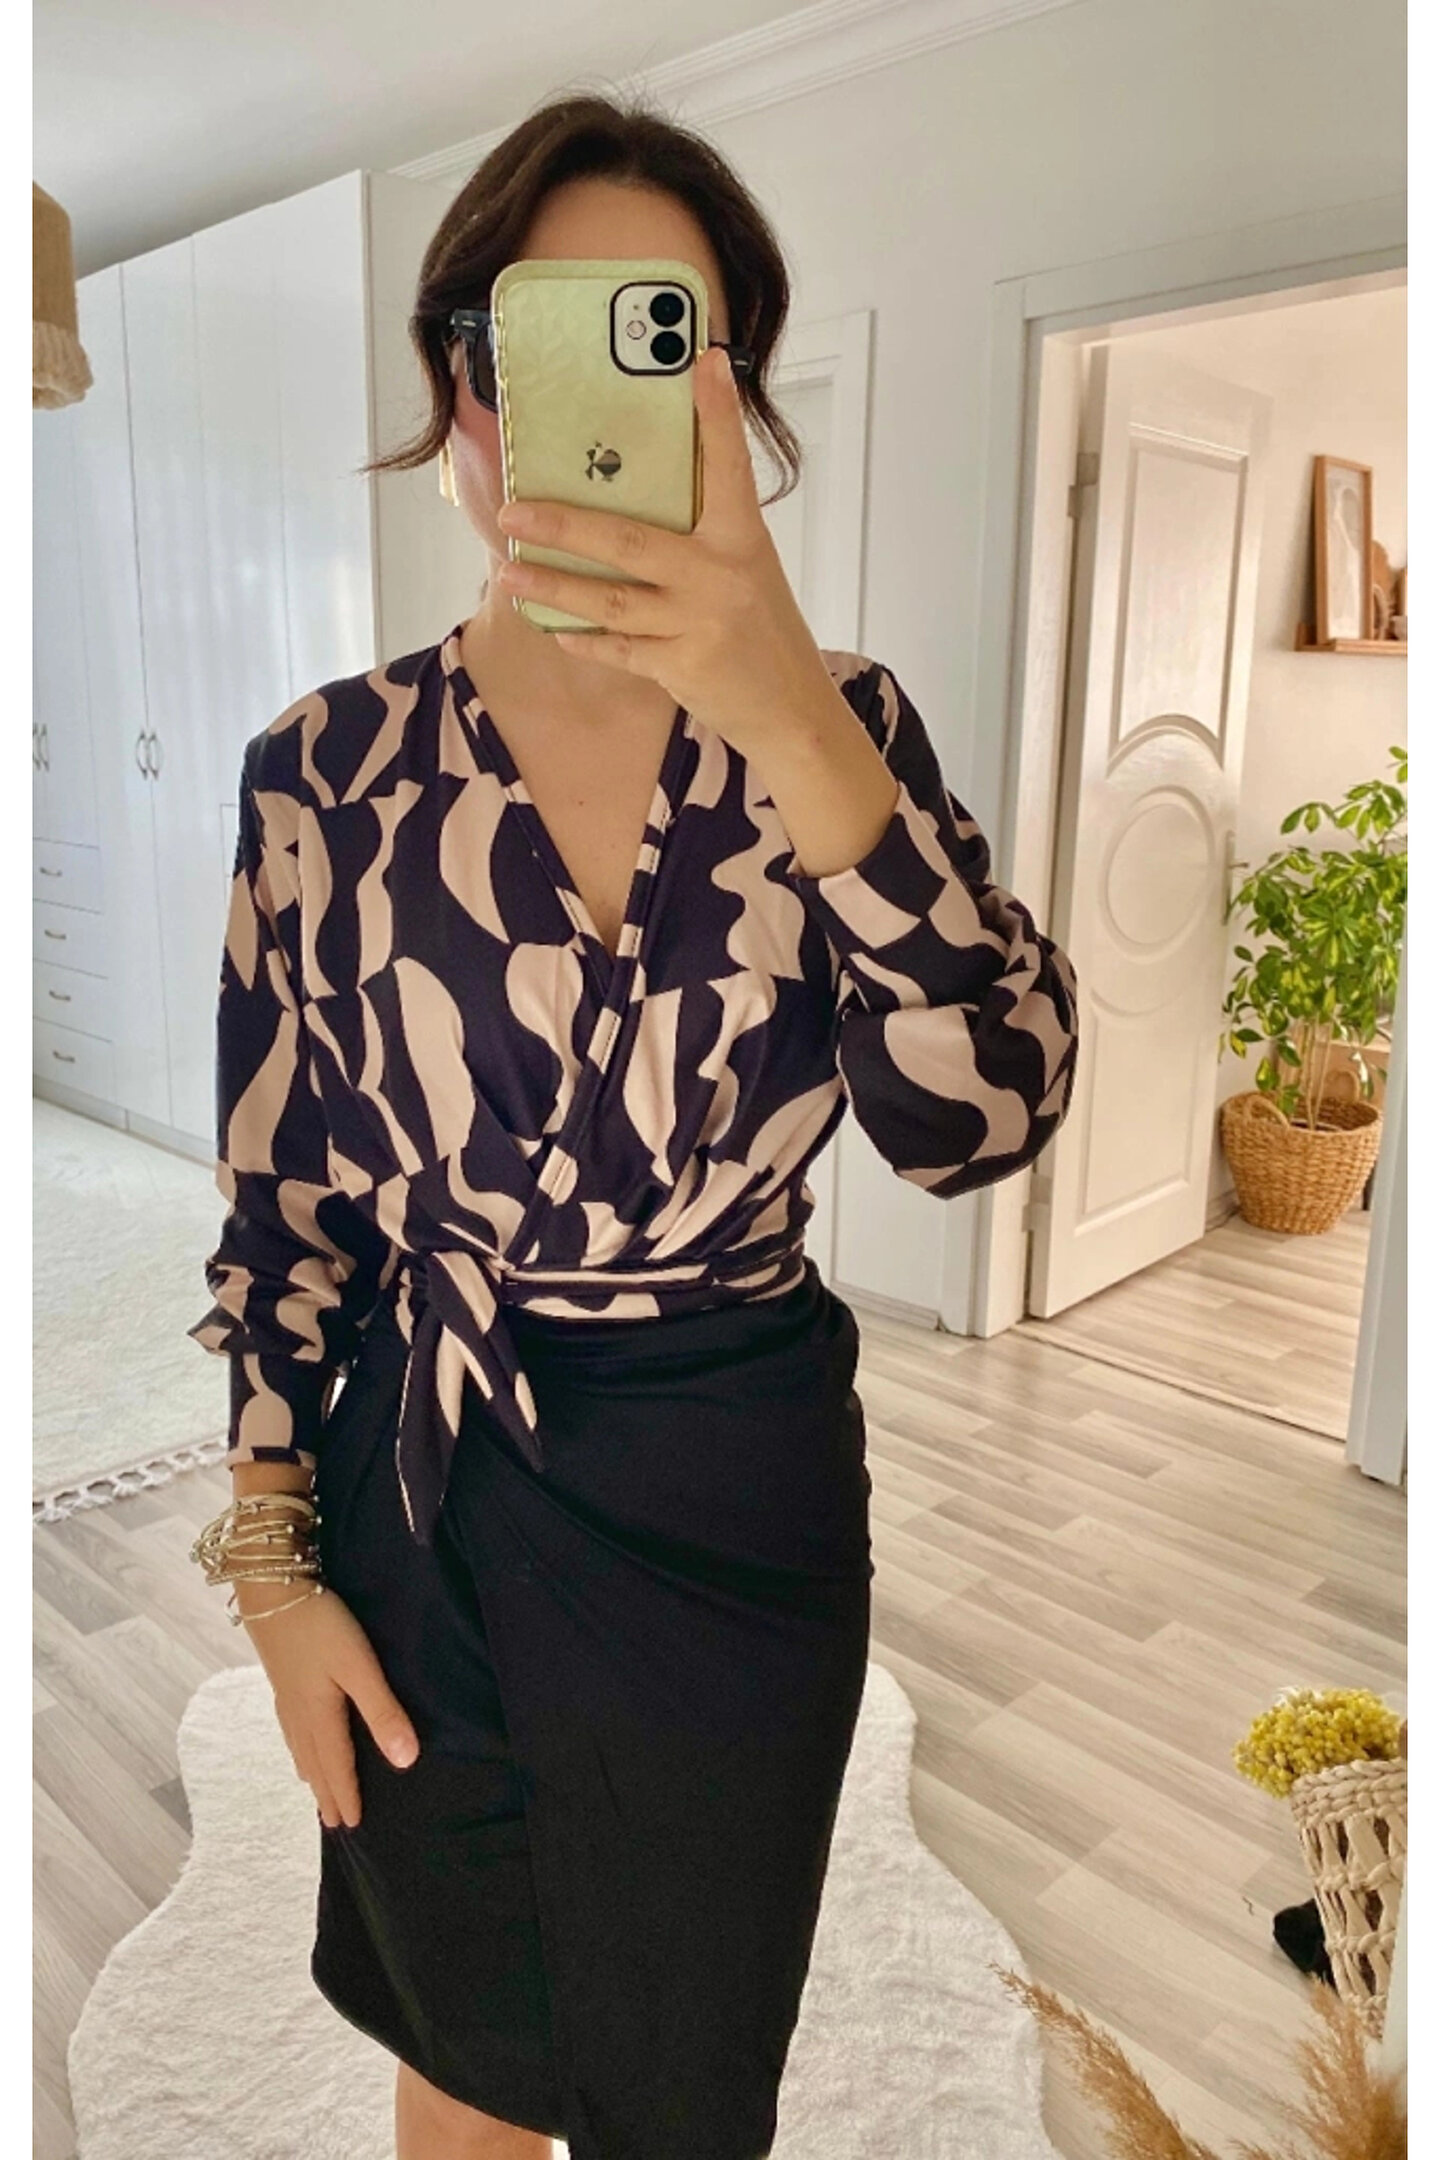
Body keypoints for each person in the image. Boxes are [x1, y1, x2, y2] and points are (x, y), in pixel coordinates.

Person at [186, 90, 1079, 2160]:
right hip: (423, 1480)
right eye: (528, 336)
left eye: (656, 339)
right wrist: (275, 1577)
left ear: (729, 402)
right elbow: (283, 1211)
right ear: (458, 386)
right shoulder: (322, 773)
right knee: (464, 2061)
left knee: (691, 2074)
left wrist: (788, 719)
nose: (573, 404)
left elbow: (980, 1123)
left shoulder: (846, 728)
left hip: (731, 1494)